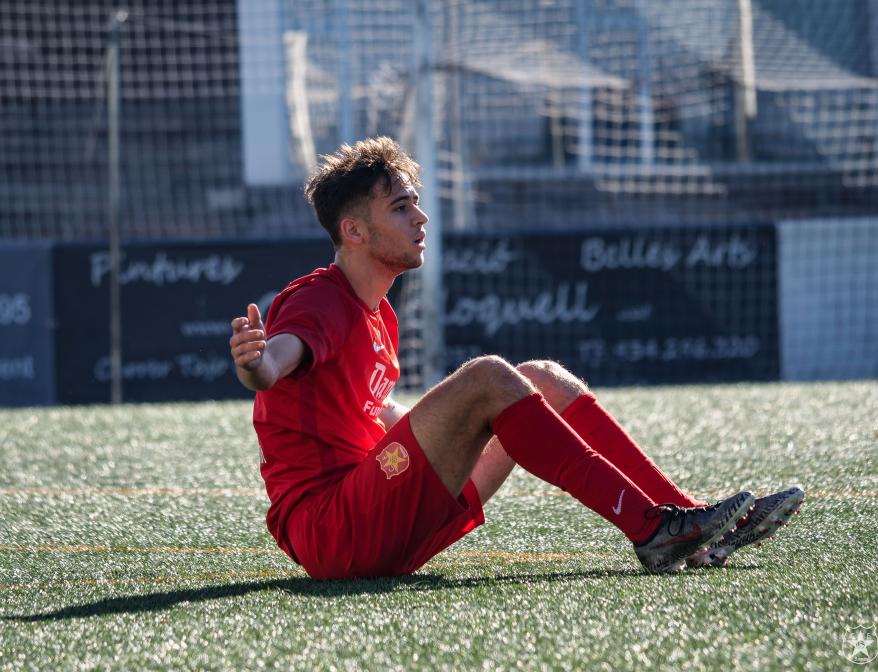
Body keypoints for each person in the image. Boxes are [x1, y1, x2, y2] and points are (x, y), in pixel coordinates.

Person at [229, 136, 803, 579]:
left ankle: (691, 526)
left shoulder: (378, 315)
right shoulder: (321, 299)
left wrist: (460, 430)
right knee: (488, 377)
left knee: (541, 378)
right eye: (401, 208)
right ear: (353, 230)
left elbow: (375, 415)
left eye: (416, 204)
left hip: (377, 514)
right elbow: (278, 358)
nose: (421, 218)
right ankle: (652, 530)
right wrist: (257, 365)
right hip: (334, 529)